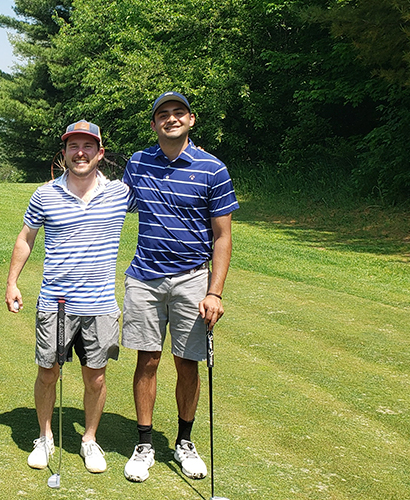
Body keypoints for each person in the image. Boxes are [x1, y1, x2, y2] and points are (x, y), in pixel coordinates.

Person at [121, 92, 239, 483]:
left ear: (191, 119)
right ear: (154, 125)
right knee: (147, 360)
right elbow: (113, 205)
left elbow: (223, 237)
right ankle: (144, 443)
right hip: (144, 278)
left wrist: (215, 292)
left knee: (187, 363)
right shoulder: (138, 164)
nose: (170, 119)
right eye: (162, 115)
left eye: (177, 113)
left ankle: (184, 442)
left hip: (192, 279)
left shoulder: (213, 169)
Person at [5, 120, 134, 474]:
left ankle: (89, 439)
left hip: (101, 305)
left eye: (88, 146)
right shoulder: (45, 194)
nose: (80, 152)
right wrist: (12, 282)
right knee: (48, 373)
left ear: (100, 153)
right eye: (73, 146)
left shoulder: (120, 193)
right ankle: (45, 437)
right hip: (56, 304)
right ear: (63, 153)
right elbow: (26, 238)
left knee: (96, 378)